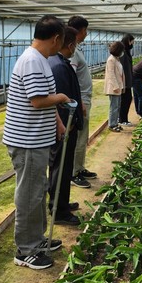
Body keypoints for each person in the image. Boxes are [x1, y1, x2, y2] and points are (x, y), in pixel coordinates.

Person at [3, 15, 70, 270]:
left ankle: (37, 239)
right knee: (30, 194)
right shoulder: (32, 61)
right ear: (56, 38)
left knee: (38, 190)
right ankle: (26, 250)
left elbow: (43, 97)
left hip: (36, 138)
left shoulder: (40, 59)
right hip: (27, 141)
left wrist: (57, 122)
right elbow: (38, 101)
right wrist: (61, 97)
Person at [47, 26, 84, 227]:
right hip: (64, 127)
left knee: (63, 167)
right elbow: (60, 101)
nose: (74, 49)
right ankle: (59, 211)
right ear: (69, 45)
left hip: (66, 125)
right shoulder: (59, 66)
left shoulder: (58, 62)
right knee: (60, 168)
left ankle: (61, 203)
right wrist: (64, 126)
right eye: (74, 45)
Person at [67, 16, 97, 189]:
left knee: (83, 137)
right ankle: (73, 173)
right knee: (78, 138)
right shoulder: (72, 53)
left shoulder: (76, 49)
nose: (86, 34)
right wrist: (79, 102)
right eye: (86, 30)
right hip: (80, 101)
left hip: (83, 99)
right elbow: (71, 79)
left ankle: (79, 168)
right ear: (80, 31)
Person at [104, 41, 125, 132]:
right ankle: (112, 125)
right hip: (113, 88)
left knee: (117, 106)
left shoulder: (116, 59)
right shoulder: (111, 60)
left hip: (118, 87)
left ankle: (115, 123)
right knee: (114, 107)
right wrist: (116, 86)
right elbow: (111, 74)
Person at [118, 33, 135, 126]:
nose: (132, 44)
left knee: (127, 99)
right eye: (132, 42)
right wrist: (122, 82)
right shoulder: (122, 53)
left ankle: (123, 119)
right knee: (125, 100)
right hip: (124, 82)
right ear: (128, 41)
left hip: (127, 81)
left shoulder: (126, 51)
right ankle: (122, 120)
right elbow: (121, 68)